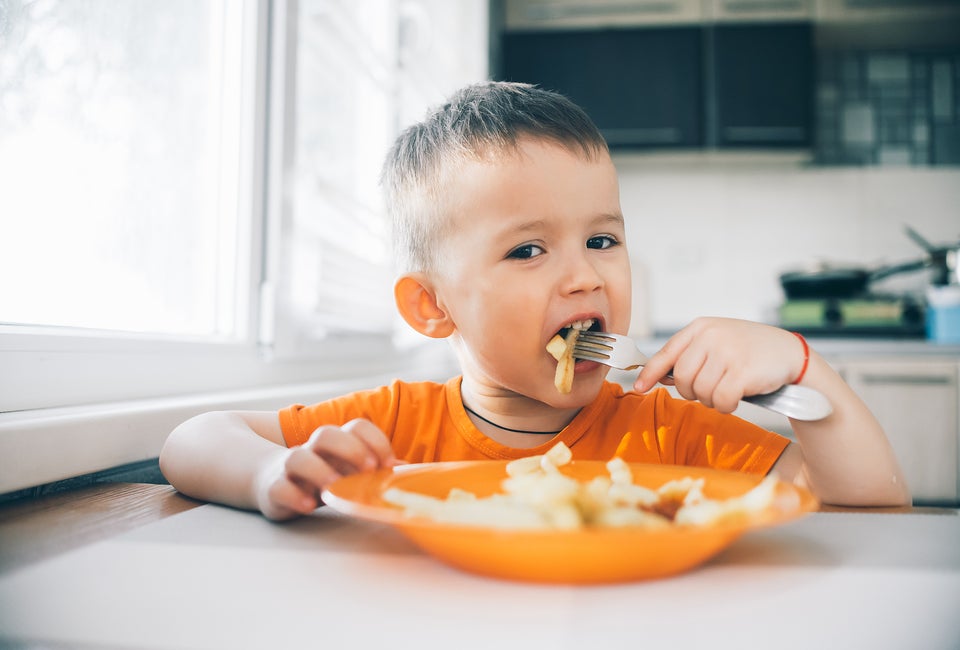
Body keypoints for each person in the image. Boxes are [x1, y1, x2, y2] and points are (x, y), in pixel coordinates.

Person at [160, 81, 910, 520]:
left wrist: (806, 370)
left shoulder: (674, 435)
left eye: (602, 241)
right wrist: (272, 475)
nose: (585, 277)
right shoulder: (394, 431)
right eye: (527, 250)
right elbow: (193, 439)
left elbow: (870, 517)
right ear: (432, 307)